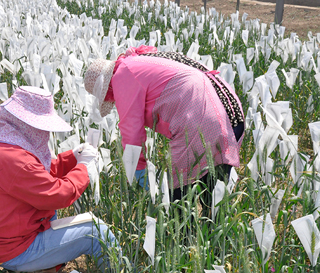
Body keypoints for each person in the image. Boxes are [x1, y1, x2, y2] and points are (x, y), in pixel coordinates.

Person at [0, 86, 117, 273]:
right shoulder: (16, 159)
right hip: (12, 249)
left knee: (54, 212)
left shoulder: (1, 144)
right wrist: (84, 168)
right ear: (27, 124)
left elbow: (38, 176)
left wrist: (72, 157)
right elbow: (58, 195)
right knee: (96, 231)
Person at [84, 45, 245, 206]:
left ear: (108, 87)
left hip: (199, 118)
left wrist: (137, 169)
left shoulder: (123, 75)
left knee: (177, 198)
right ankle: (211, 227)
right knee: (214, 197)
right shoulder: (137, 62)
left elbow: (131, 130)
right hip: (229, 110)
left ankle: (185, 231)